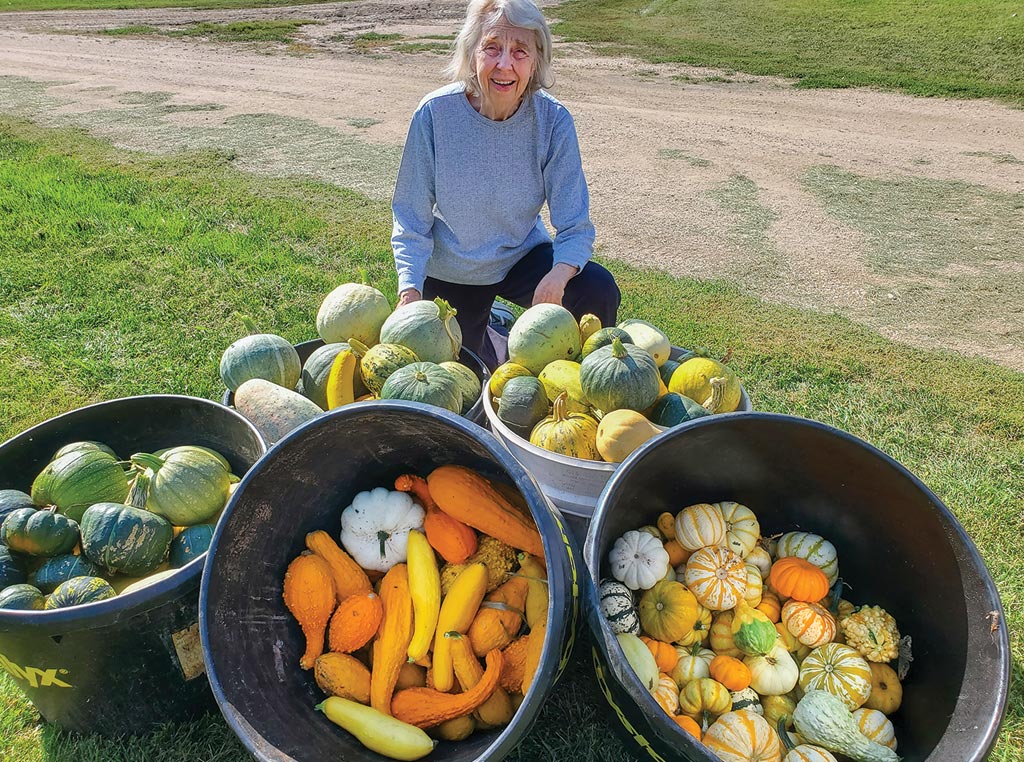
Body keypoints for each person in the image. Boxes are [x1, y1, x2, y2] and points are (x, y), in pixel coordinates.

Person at [390, 0, 621, 369]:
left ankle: (584, 381)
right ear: (471, 52)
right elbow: (411, 217)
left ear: (536, 61)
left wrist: (558, 277)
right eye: (492, 47)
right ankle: (493, 335)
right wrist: (410, 290)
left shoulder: (553, 120)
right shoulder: (434, 115)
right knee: (459, 375)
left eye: (519, 51)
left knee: (596, 287)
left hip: (521, 256)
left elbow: (575, 225)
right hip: (453, 267)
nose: (504, 64)